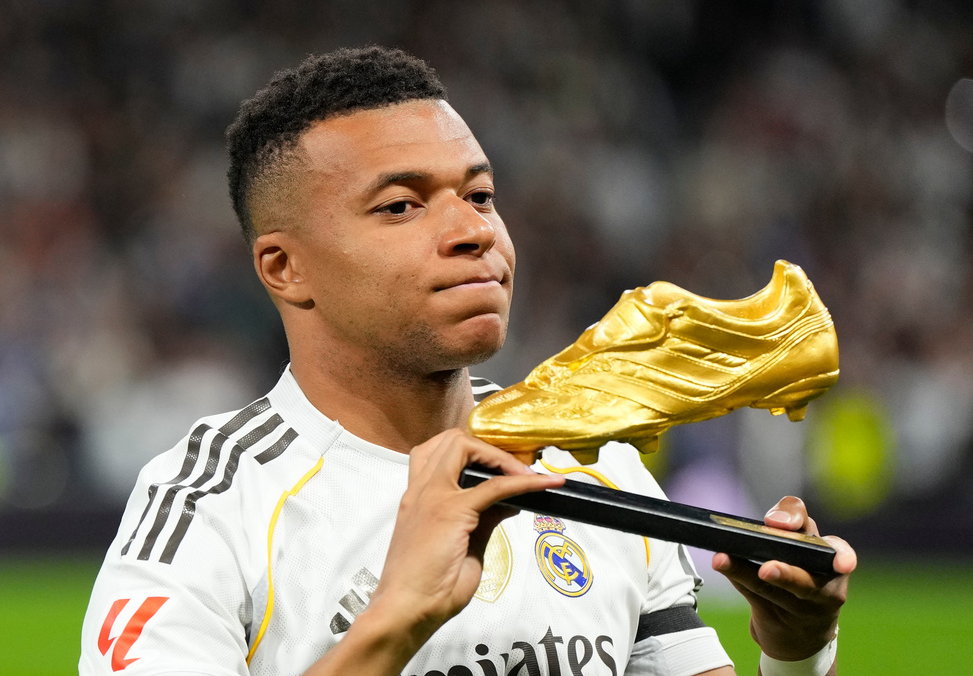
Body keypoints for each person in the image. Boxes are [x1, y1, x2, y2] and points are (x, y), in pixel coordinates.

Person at [80, 46, 856, 676]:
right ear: (286, 268)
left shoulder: (599, 467)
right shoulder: (210, 504)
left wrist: (794, 653)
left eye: (479, 196)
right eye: (400, 206)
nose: (473, 231)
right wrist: (399, 615)